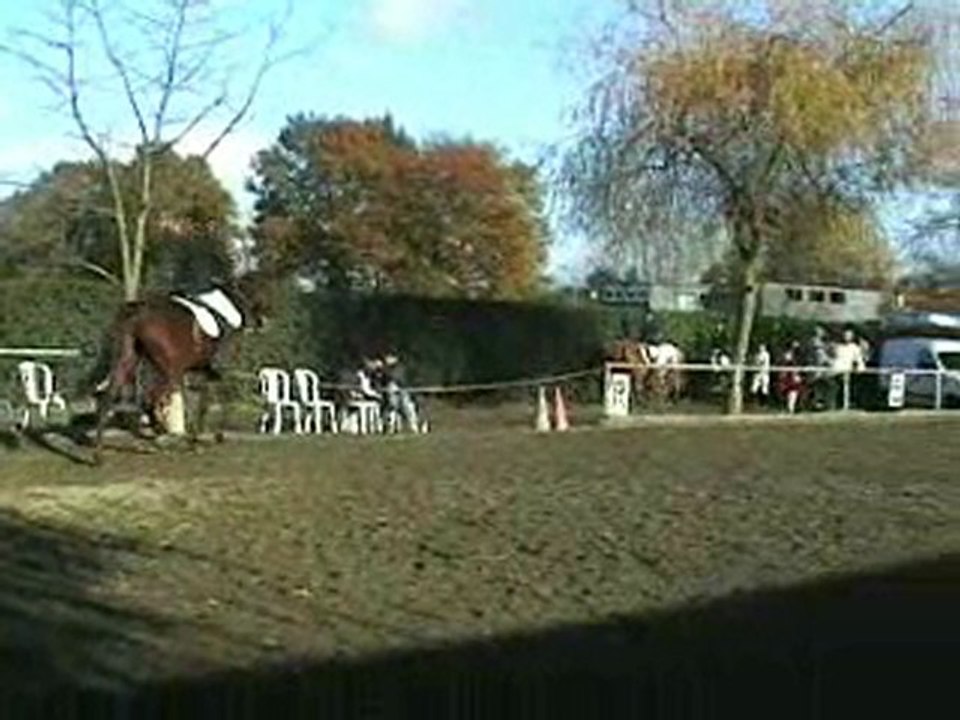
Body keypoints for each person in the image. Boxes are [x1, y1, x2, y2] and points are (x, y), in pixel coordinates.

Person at [382, 352, 421, 433]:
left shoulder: (400, 368)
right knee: (392, 408)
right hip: (392, 391)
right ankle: (391, 427)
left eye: (390, 358)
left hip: (403, 390)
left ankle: (414, 426)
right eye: (387, 358)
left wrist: (398, 384)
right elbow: (385, 379)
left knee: (409, 408)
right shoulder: (386, 369)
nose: (387, 360)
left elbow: (401, 379)